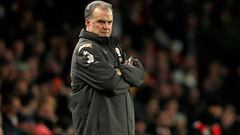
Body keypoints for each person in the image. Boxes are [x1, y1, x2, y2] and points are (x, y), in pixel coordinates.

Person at [69, 1, 145, 135]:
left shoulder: (114, 47)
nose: (106, 27)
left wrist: (119, 72)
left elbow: (139, 77)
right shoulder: (85, 50)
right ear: (88, 22)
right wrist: (124, 72)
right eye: (101, 22)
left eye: (109, 22)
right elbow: (110, 83)